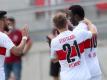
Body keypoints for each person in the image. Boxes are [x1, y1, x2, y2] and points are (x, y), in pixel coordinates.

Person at [50, 12, 97, 80]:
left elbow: (54, 59)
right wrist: (89, 23)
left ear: (55, 26)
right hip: (84, 76)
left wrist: (65, 56)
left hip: (67, 77)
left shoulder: (54, 42)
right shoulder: (79, 34)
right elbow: (94, 33)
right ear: (67, 22)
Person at [68, 5, 102, 80]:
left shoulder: (77, 31)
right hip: (96, 69)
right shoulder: (93, 26)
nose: (69, 20)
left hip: (85, 72)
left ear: (76, 16)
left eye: (70, 16)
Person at [0, 11, 29, 80]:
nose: (8, 23)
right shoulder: (2, 36)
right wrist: (24, 37)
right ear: (1, 21)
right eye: (6, 20)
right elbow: (18, 51)